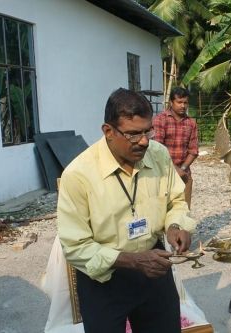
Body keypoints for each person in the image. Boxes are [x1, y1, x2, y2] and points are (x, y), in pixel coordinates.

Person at [57, 88, 197, 333]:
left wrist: (176, 225)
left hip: (153, 270)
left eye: (147, 131)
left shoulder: (158, 155)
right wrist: (132, 261)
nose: (143, 141)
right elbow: (75, 246)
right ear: (108, 131)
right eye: (133, 134)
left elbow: (176, 200)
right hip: (104, 279)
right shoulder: (78, 175)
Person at [153, 87, 199, 208]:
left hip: (184, 174)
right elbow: (157, 150)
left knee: (184, 211)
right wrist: (174, 170)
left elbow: (193, 151)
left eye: (185, 102)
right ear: (171, 102)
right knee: (163, 210)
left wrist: (182, 169)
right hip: (162, 172)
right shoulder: (160, 120)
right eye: (179, 102)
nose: (183, 106)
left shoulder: (191, 123)